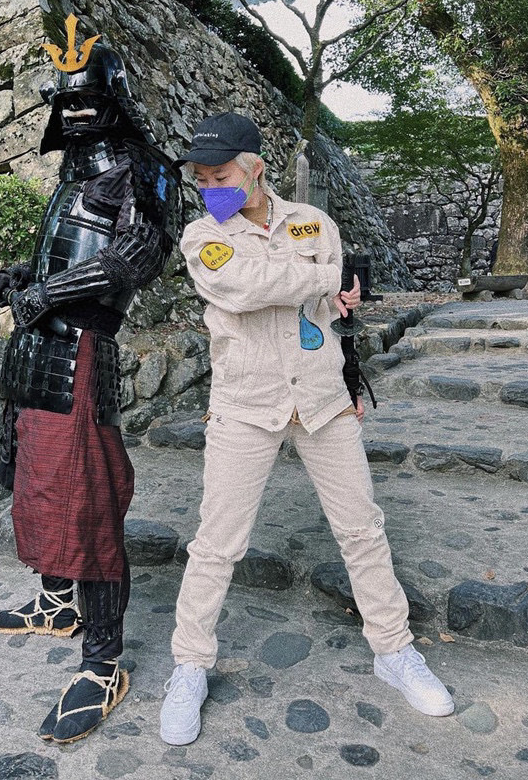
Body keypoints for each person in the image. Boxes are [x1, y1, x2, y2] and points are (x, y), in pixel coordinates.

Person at [159, 112, 454, 747]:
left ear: (256, 168)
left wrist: (341, 310)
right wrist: (328, 278)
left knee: (363, 529)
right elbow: (243, 288)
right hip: (245, 403)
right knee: (216, 543)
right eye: (201, 178)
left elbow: (327, 308)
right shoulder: (201, 234)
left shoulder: (314, 223)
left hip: (322, 398)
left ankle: (394, 651)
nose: (210, 187)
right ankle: (190, 666)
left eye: (221, 175)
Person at [0, 29, 182, 744]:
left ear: (114, 97)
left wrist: (47, 294)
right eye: (65, 102)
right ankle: (56, 603)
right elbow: (65, 253)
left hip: (80, 353)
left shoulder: (145, 168)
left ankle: (102, 663)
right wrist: (20, 279)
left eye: (87, 99)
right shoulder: (73, 174)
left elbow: (135, 257)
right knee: (35, 480)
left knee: (86, 499)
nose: (74, 112)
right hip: (35, 352)